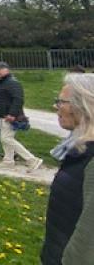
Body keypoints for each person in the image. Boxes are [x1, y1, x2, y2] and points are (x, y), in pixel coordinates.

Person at [41, 74, 94, 264]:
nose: (56, 107)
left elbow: (88, 238)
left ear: (83, 105)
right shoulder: (80, 150)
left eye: (61, 101)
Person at [0, 61, 42, 171]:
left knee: (6, 138)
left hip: (10, 116)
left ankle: (32, 160)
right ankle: (8, 161)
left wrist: (12, 114)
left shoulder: (12, 83)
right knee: (5, 138)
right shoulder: (3, 82)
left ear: (6, 69)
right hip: (3, 115)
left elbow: (18, 99)